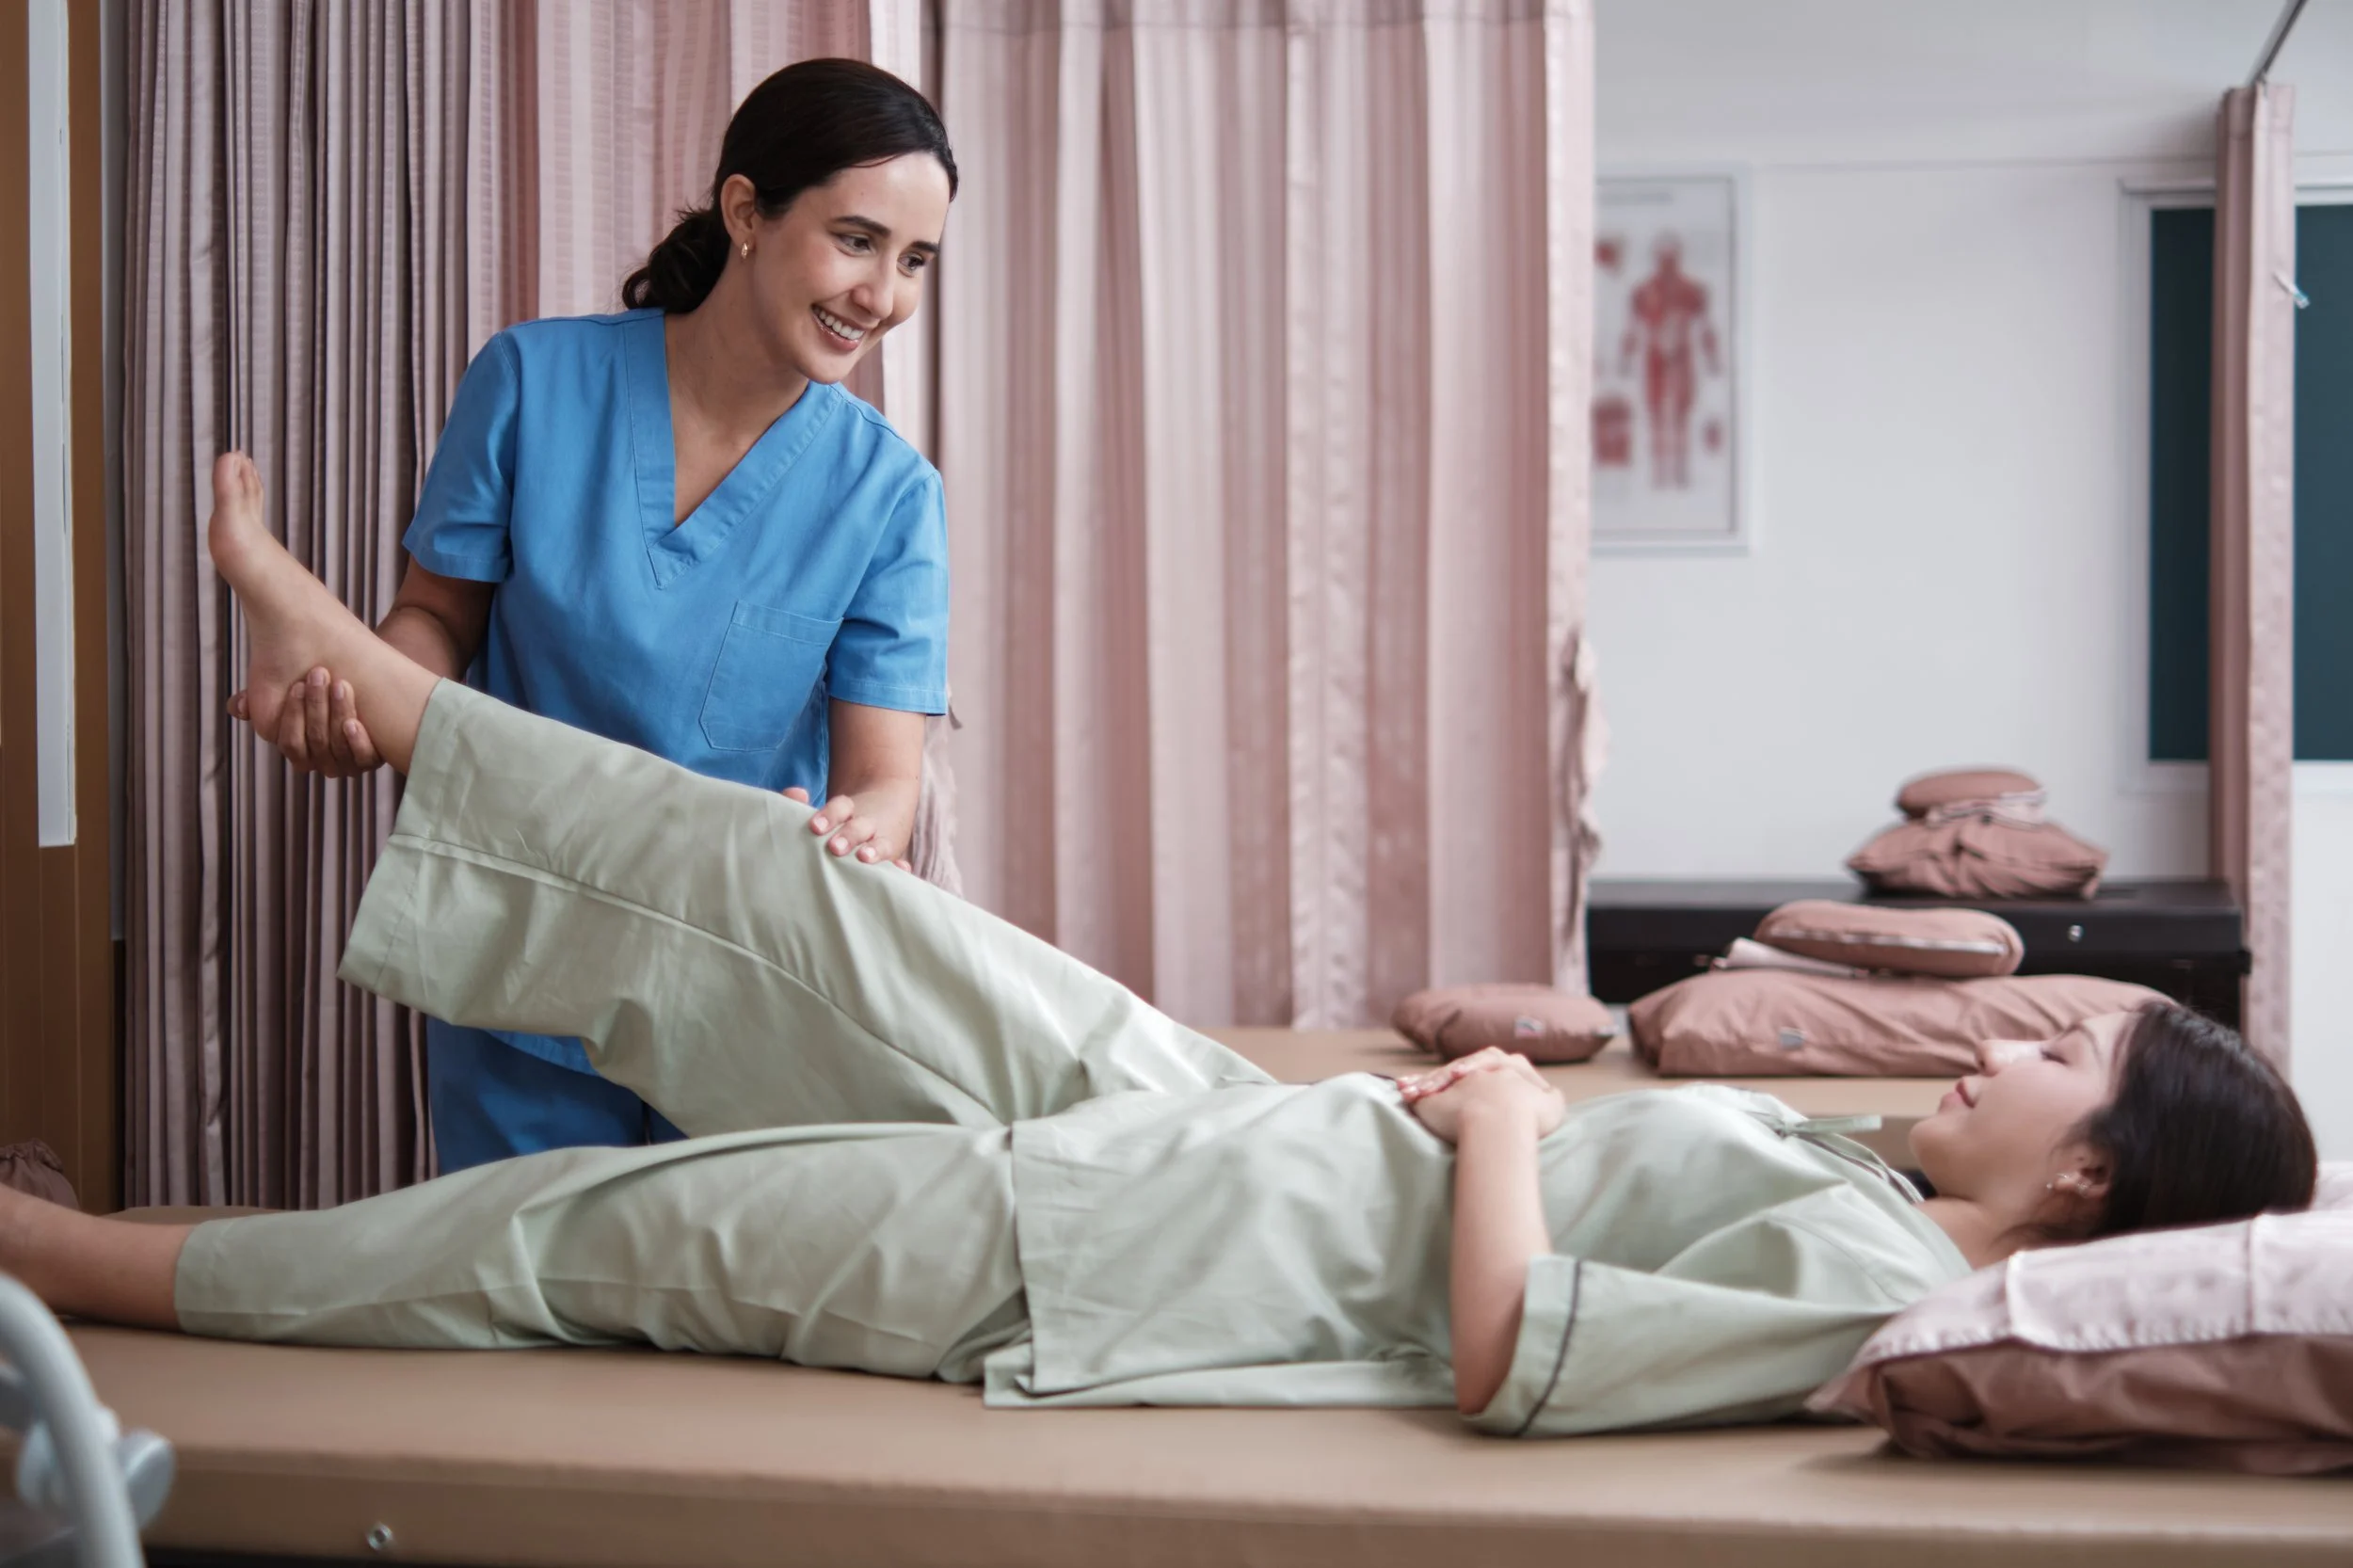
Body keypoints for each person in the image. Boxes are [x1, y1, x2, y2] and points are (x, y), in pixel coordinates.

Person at [2, 456, 2317, 1435]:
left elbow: (1510, 1356)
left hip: (1136, 1262)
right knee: (773, 876)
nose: (2014, 1047)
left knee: (590, 1235)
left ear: (2093, 1177)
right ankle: (375, 672)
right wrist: (1527, 1081)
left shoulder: (1875, 1294)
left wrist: (1512, 1108)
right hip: (1204, 1124)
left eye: (2062, 1063)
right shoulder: (1861, 1178)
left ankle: (101, 1274)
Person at [231, 60, 961, 1171]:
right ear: (745, 212)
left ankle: (300, 609)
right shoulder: (532, 379)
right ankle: (324, 644)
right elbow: (436, 617)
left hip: (737, 958)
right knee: (519, 1294)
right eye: (857, 240)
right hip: (533, 930)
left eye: (914, 261)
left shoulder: (889, 495)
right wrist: (362, 696)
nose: (884, 296)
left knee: (711, 1308)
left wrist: (864, 829)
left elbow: (885, 776)